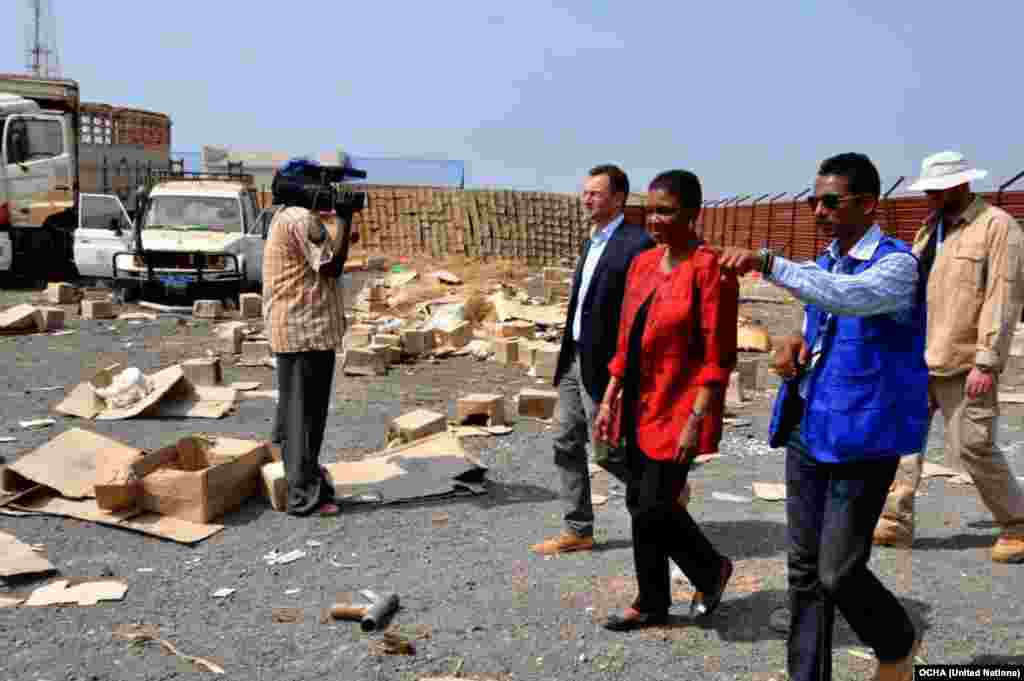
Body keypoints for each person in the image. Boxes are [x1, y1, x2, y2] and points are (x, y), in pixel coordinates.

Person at [718, 153, 926, 681]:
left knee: (838, 571)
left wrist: (770, 263)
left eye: (831, 201)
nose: (818, 209)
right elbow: (823, 319)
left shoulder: (897, 265)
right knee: (804, 571)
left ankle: (897, 643)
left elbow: (852, 300)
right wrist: (794, 347)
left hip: (862, 438)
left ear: (868, 203)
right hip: (811, 428)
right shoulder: (828, 260)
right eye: (814, 200)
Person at [593, 169, 736, 630]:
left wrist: (698, 418)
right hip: (638, 400)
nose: (654, 219)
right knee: (640, 502)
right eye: (650, 210)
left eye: (666, 211)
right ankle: (651, 601)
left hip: (681, 404)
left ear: (692, 213)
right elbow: (626, 335)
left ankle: (710, 568)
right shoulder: (643, 264)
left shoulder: (708, 269)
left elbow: (718, 354)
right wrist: (612, 392)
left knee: (655, 503)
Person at [873, 151, 1024, 563]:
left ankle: (1016, 524)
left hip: (964, 361)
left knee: (974, 446)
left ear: (961, 185)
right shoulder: (929, 228)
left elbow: (1002, 298)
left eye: (937, 191)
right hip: (919, 358)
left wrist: (987, 361)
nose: (931, 198)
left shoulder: (997, 228)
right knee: (903, 442)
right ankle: (894, 519)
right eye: (929, 192)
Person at [530, 164, 655, 555]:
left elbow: (640, 311)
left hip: (606, 363)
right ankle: (578, 529)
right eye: (585, 192)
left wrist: (625, 363)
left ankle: (661, 493)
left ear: (618, 199)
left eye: (595, 193)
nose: (587, 199)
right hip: (574, 356)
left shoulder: (637, 244)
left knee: (606, 450)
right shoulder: (592, 241)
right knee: (565, 441)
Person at [263, 190, 358, 517]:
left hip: (303, 330)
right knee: (303, 417)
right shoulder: (302, 219)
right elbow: (331, 267)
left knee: (301, 413)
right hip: (303, 330)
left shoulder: (290, 216)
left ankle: (306, 480)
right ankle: (303, 495)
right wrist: (345, 219)